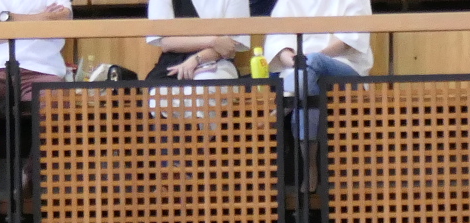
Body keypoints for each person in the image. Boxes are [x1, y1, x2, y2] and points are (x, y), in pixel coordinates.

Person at [268, 0, 371, 130]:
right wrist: (295, 61)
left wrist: (312, 59)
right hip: (298, 69)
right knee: (308, 86)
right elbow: (279, 42)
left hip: (344, 67)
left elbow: (350, 40)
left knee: (314, 61)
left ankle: (289, 99)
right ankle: (306, 143)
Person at [0, 0, 75, 103]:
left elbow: (62, 20)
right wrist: (41, 19)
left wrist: (6, 17)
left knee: (58, 101)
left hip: (42, 70)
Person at [147, 0, 256, 80]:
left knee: (205, 86)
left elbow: (229, 46)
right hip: (173, 62)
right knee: (160, 94)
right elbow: (166, 43)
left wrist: (196, 59)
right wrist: (213, 41)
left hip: (217, 60)